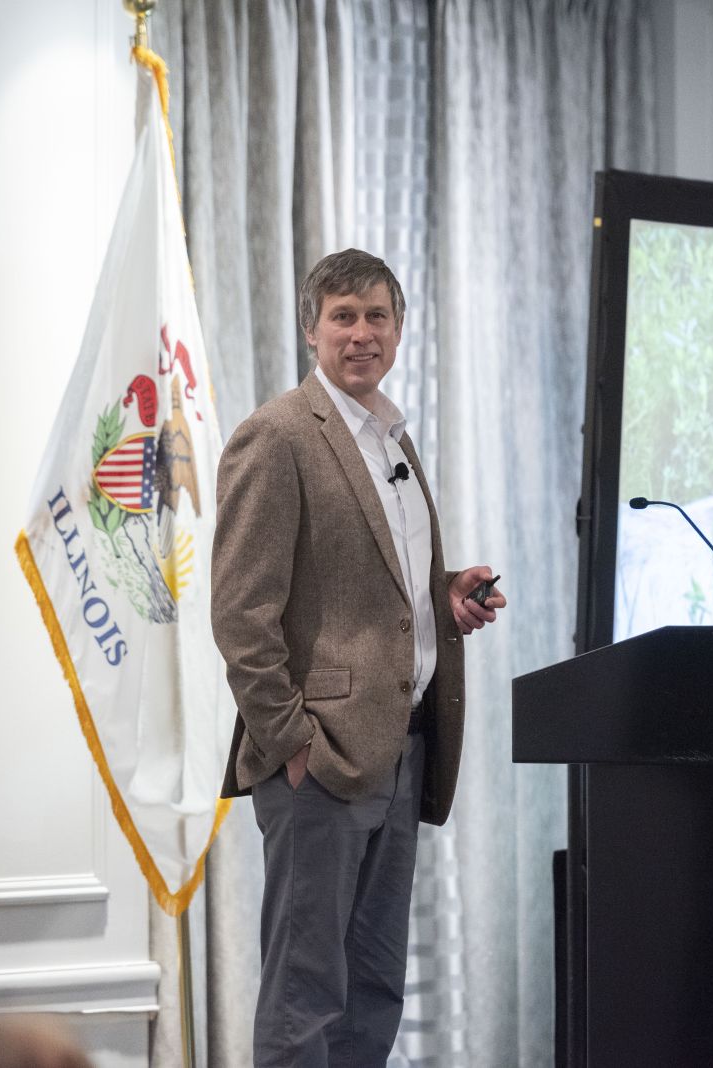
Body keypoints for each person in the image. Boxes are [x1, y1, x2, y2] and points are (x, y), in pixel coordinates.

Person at [211, 248, 505, 1067]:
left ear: (400, 330)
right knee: (304, 997)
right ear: (312, 330)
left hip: (403, 751)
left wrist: (443, 594)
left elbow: (365, 582)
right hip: (323, 763)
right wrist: (293, 744)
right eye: (343, 316)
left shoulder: (390, 440)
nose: (362, 333)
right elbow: (240, 614)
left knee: (374, 990)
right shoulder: (277, 436)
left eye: (377, 316)